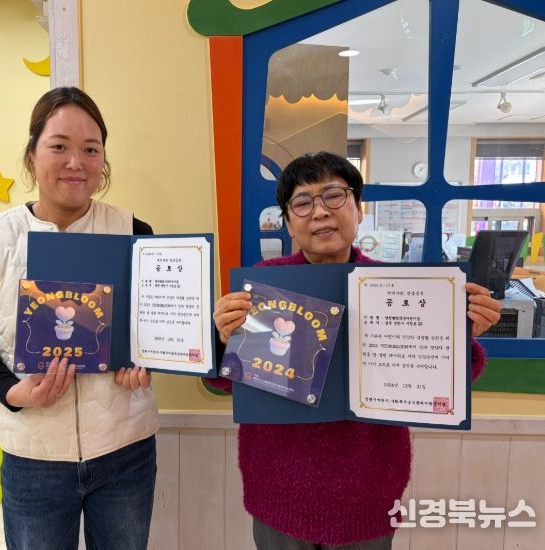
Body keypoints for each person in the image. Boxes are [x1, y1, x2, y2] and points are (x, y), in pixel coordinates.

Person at [210, 151, 502, 549]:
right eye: (302, 203)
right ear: (288, 223)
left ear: (358, 209)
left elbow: (447, 381)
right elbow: (229, 384)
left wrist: (462, 333)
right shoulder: (262, 286)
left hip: (368, 493)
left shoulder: (396, 288)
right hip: (277, 491)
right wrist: (225, 339)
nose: (320, 212)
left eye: (334, 195)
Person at [0, 87, 159, 550]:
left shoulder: (133, 232)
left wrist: (145, 360)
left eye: (91, 149)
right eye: (59, 146)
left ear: (103, 159)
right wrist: (12, 391)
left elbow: (156, 327)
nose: (75, 163)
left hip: (125, 450)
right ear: (32, 154)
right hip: (33, 457)